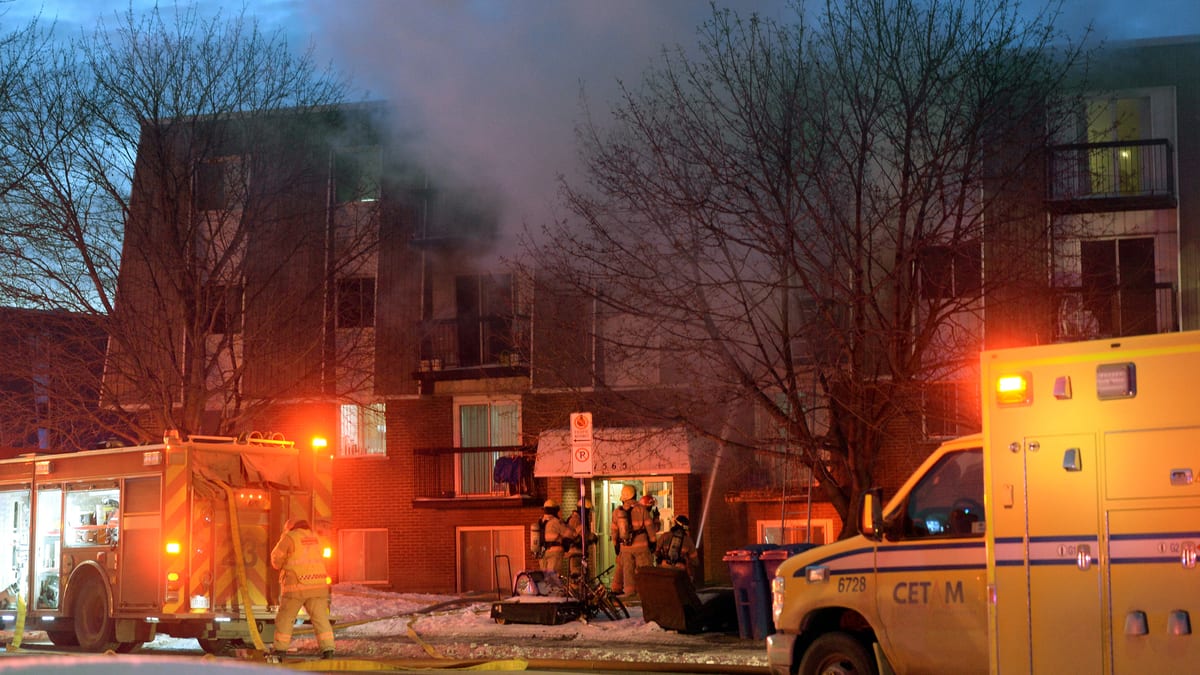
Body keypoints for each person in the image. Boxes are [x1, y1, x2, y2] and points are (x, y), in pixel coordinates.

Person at [270, 519, 335, 660]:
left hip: (296, 587)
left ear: (291, 528)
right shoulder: (317, 538)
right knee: (321, 619)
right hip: (318, 587)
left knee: (286, 619)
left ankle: (280, 650)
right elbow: (326, 557)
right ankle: (328, 649)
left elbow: (275, 559)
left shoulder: (289, 537)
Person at [609, 484, 654, 597]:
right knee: (643, 570)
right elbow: (649, 527)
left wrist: (616, 545)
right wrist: (653, 542)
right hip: (641, 546)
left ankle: (629, 593)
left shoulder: (617, 512)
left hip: (625, 547)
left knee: (628, 572)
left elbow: (614, 530)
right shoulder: (642, 509)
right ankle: (645, 594)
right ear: (634, 494)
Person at [655, 514, 699, 580]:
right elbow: (695, 560)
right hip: (680, 568)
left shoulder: (665, 536)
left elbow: (656, 551)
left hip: (664, 566)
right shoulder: (688, 540)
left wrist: (661, 558)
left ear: (675, 524)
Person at [537, 499, 574, 577]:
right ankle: (553, 589)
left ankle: (546, 589)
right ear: (555, 510)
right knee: (553, 577)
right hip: (555, 552)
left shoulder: (540, 521)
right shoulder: (556, 522)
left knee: (545, 577)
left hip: (542, 552)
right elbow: (569, 534)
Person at [566, 498, 598, 577]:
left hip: (580, 552)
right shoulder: (576, 519)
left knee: (584, 574)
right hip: (575, 552)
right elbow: (584, 534)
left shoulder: (579, 519)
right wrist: (593, 537)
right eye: (587, 510)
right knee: (576, 574)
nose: (588, 513)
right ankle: (575, 589)